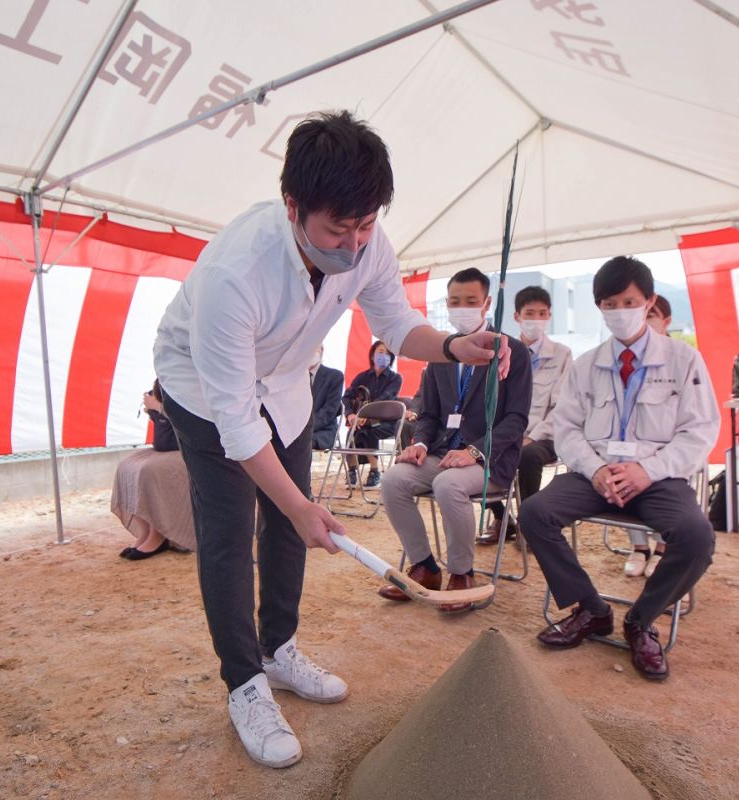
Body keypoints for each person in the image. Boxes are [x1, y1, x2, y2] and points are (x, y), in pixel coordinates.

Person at [152, 111, 510, 769]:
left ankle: (277, 648)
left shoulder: (368, 239)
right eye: (337, 228)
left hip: (284, 382)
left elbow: (399, 324)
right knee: (233, 529)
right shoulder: (237, 272)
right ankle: (245, 682)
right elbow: (234, 423)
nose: (353, 244)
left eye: (365, 224)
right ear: (293, 206)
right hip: (206, 392)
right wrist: (295, 502)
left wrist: (458, 345)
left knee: (290, 527)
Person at [521, 256, 718, 680]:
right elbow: (568, 429)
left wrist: (647, 470)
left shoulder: (684, 361)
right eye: (609, 304)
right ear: (599, 307)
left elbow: (700, 432)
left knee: (697, 535)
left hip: (658, 478)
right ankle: (592, 610)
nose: (619, 311)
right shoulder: (586, 365)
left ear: (648, 301)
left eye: (628, 301)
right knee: (535, 513)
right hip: (596, 474)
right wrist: (594, 470)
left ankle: (641, 621)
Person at [378, 268, 531, 613]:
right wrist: (418, 443)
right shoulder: (441, 353)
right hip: (443, 452)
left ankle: (462, 574)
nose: (462, 308)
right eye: (455, 301)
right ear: (446, 304)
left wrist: (475, 451)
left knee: (448, 485)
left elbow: (517, 420)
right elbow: (428, 413)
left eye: (471, 302)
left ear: (487, 303)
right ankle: (425, 567)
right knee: (393, 480)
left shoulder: (512, 352)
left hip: (489, 459)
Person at [480, 285, 572, 544]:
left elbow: (562, 407)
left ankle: (529, 525)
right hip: (509, 431)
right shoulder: (502, 351)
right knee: (475, 449)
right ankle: (502, 516)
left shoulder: (562, 354)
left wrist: (533, 436)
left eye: (542, 313)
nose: (536, 320)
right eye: (530, 313)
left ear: (550, 316)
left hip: (545, 436)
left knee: (527, 455)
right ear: (517, 316)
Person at [111, 380, 196, 559]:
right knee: (126, 466)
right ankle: (146, 531)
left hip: (188, 449)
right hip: (164, 448)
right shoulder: (164, 382)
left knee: (150, 471)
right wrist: (154, 409)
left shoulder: (190, 384)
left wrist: (159, 408)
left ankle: (158, 534)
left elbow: (191, 419)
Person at [623, 293, 675, 577]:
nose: (642, 322)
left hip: (666, 454)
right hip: (630, 447)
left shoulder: (682, 360)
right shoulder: (624, 361)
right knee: (620, 465)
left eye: (650, 315)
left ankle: (663, 549)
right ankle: (639, 547)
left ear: (666, 322)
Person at [341, 340, 403, 487]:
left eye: (388, 353)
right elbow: (347, 396)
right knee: (358, 429)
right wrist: (350, 414)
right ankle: (354, 470)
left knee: (366, 429)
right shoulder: (362, 377)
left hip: (385, 421)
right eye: (381, 352)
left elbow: (385, 398)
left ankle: (372, 470)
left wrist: (364, 414)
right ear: (372, 356)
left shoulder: (395, 378)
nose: (384, 356)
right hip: (363, 420)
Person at [309, 346, 344, 451]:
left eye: (315, 346)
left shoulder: (334, 376)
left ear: (322, 350)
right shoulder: (296, 378)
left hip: (323, 430)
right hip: (297, 431)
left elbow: (329, 412)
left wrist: (306, 429)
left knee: (298, 443)